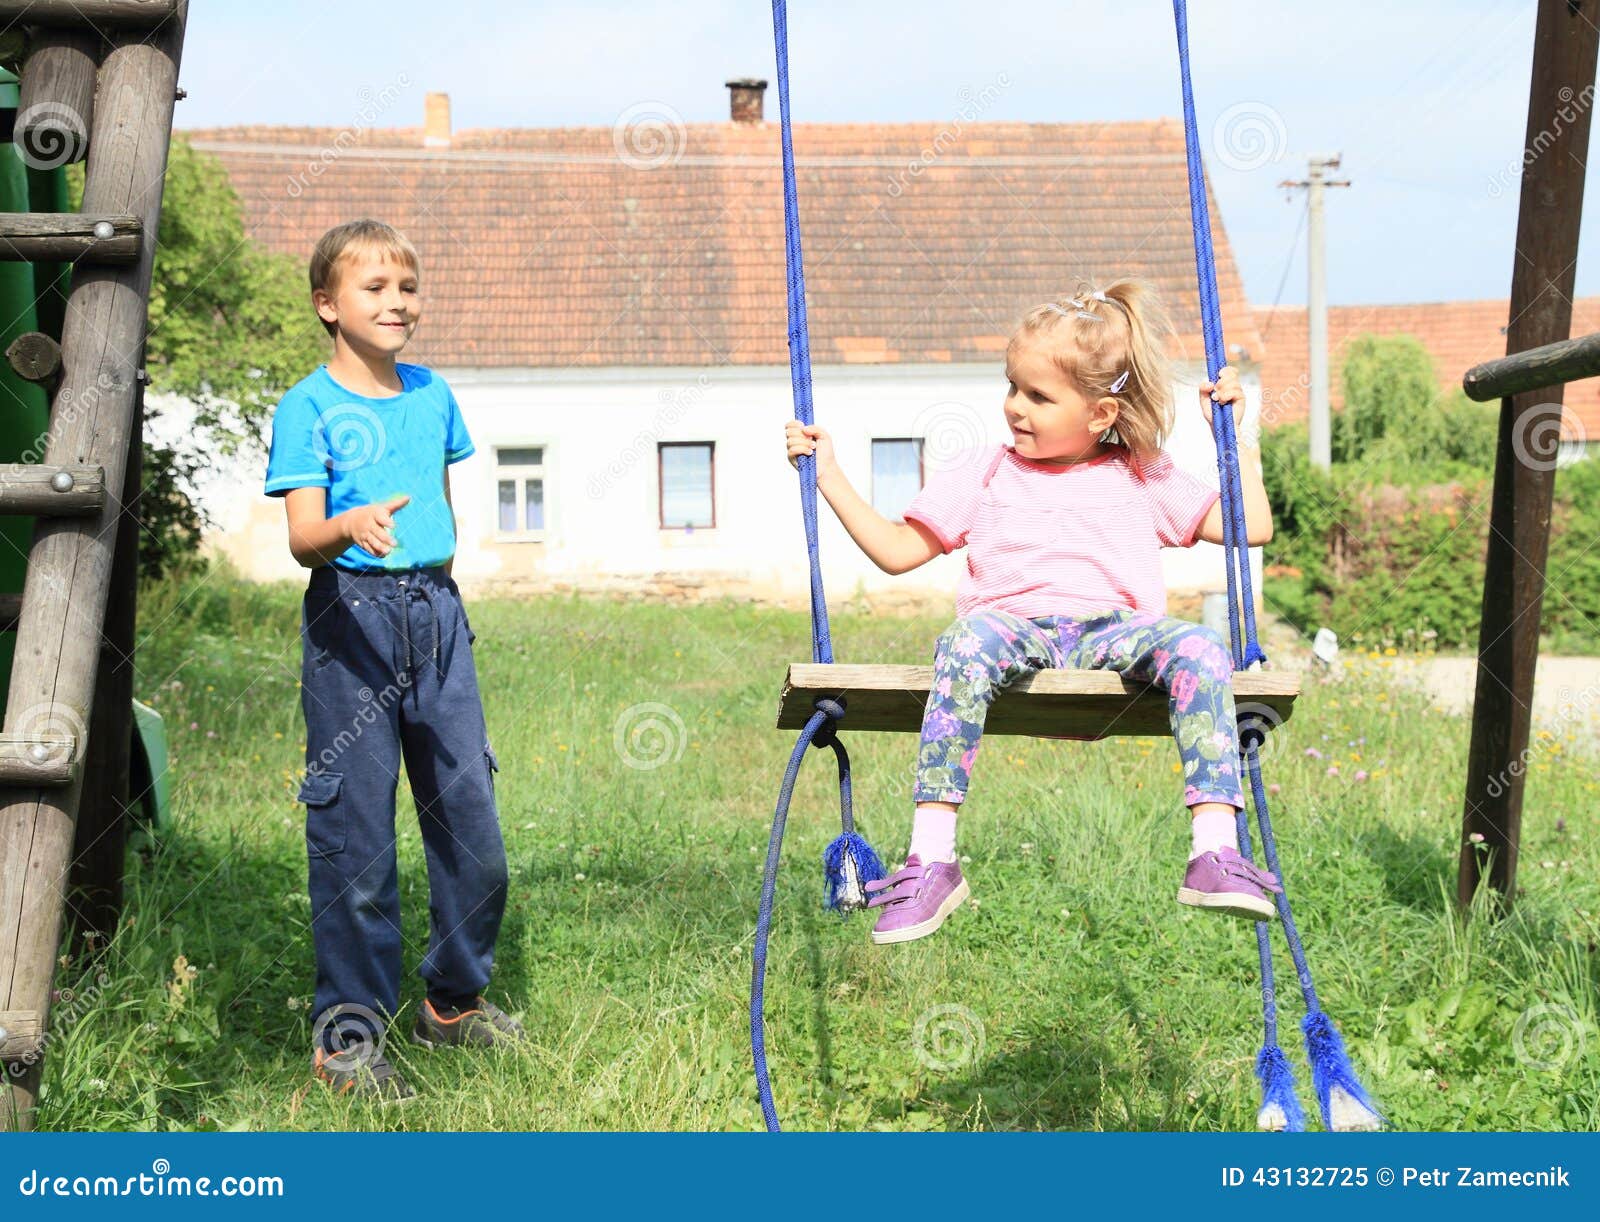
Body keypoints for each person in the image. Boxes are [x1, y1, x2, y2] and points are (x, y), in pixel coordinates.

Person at [783, 279, 1279, 946]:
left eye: (1039, 396)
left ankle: (1215, 849)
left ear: (1102, 413)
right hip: (1008, 630)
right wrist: (829, 476)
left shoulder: (1139, 471)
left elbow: (1253, 527)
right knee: (960, 642)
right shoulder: (986, 471)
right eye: (1012, 386)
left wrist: (1236, 437)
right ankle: (932, 858)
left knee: (1200, 648)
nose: (1016, 407)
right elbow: (899, 551)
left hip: (1116, 633)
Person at [265, 219, 523, 1101]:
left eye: (407, 287)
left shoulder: (433, 394)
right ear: (327, 305)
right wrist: (350, 525)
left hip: (436, 618)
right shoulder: (307, 406)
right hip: (352, 620)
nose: (397, 302)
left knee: (474, 829)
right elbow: (303, 536)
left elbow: (439, 514)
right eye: (375, 288)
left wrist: (429, 582)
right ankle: (347, 1042)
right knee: (357, 842)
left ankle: (452, 1003)